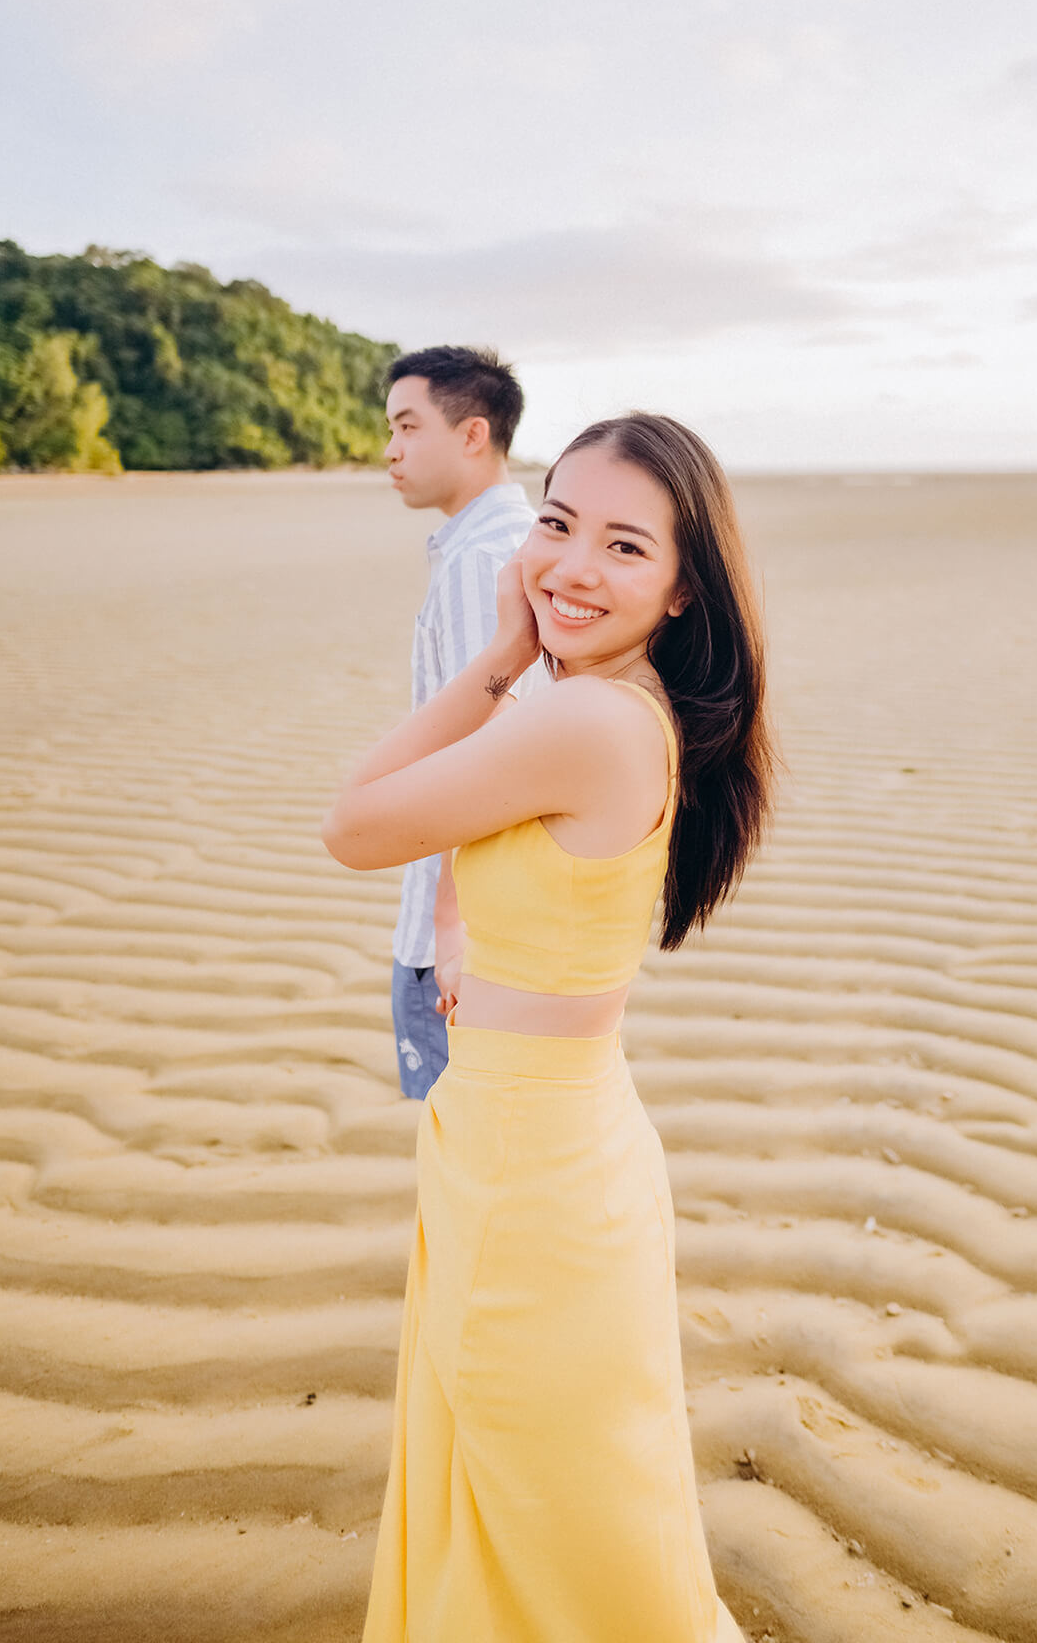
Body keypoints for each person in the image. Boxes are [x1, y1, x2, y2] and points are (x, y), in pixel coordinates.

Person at [323, 412, 775, 1643]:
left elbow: (355, 824)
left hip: (532, 1173)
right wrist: (472, 937)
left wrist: (497, 652)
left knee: (552, 1518)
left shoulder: (576, 718)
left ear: (684, 589)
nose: (572, 564)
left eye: (625, 546)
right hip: (542, 1139)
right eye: (557, 522)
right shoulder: (610, 706)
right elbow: (502, 854)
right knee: (561, 1499)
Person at [381, 345, 536, 1101]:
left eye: (407, 426)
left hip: (461, 941)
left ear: (473, 434)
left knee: (465, 1167)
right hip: (497, 924)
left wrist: (448, 930)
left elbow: (487, 751)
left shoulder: (485, 558)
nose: (390, 451)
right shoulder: (515, 542)